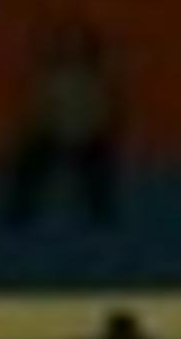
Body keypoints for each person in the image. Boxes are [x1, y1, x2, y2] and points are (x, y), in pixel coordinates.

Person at [6, 18, 118, 225]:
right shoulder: (48, 78)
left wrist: (88, 131)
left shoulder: (95, 79)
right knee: (28, 158)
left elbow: (103, 113)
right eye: (68, 43)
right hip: (53, 136)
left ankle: (101, 213)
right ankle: (19, 214)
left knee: (99, 161)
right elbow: (39, 111)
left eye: (77, 43)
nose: (72, 49)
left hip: (86, 138)